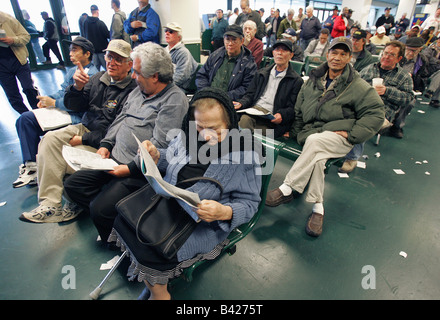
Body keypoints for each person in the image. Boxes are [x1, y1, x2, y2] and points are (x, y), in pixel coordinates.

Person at [107, 87, 263, 300]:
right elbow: (170, 158)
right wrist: (155, 155)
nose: (206, 135)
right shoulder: (186, 135)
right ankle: (155, 286)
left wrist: (224, 212)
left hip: (203, 224)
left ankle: (159, 293)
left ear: (230, 123)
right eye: (200, 126)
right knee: (125, 222)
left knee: (151, 251)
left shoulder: (245, 154)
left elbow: (251, 204)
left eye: (215, 129)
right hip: (168, 204)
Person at [62, 42, 189, 237]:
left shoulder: (174, 100)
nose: (133, 77)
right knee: (73, 185)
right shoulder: (138, 90)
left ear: (155, 76)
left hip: (138, 171)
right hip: (112, 161)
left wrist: (129, 168)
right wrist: (106, 144)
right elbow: (121, 118)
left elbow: (159, 146)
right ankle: (119, 213)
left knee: (99, 210)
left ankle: (119, 235)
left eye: (137, 72)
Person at [265, 37, 384, 237]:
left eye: (343, 54)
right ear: (327, 54)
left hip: (340, 137)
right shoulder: (312, 80)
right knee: (318, 159)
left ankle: (288, 187)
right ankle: (318, 209)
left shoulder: (357, 85)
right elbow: (299, 109)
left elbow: (376, 114)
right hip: (313, 134)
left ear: (349, 58)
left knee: (314, 142)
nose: (337, 58)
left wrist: (353, 134)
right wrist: (294, 131)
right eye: (334, 53)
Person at [19, 40, 137, 223]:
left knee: (66, 157)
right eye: (109, 57)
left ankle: (74, 201)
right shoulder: (97, 78)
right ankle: (50, 204)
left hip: (105, 141)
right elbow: (74, 106)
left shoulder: (132, 91)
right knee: (49, 139)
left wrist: (84, 139)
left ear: (129, 64)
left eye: (119, 59)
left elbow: (117, 130)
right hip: (84, 126)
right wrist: (77, 88)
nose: (111, 62)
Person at [13, 37, 98, 188]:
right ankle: (31, 164)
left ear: (87, 54)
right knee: (25, 119)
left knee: (27, 120)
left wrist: (55, 103)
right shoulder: (72, 71)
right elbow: (62, 92)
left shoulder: (94, 76)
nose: (70, 53)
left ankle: (34, 166)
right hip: (61, 111)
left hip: (75, 117)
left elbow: (82, 104)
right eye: (70, 49)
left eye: (75, 50)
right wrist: (48, 99)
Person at [341, 40, 414, 173]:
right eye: (385, 53)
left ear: (399, 58)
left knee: (362, 121)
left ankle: (351, 158)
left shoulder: (403, 77)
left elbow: (408, 98)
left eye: (391, 55)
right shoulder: (368, 69)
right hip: (360, 104)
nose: (386, 57)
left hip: (383, 112)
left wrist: (387, 91)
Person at [235, 39, 303, 138]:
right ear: (273, 53)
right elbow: (250, 95)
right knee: (244, 121)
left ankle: (241, 148)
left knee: (245, 129)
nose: (279, 53)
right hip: (254, 112)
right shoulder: (262, 73)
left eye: (284, 50)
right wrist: (242, 103)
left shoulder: (296, 80)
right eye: (277, 50)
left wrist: (282, 115)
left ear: (291, 55)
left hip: (272, 119)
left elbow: (293, 108)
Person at [196, 24, 257, 102]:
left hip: (229, 101)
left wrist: (223, 97)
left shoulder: (249, 63)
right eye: (227, 39)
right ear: (224, 40)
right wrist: (206, 92)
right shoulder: (215, 55)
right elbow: (201, 75)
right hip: (208, 98)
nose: (230, 43)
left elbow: (246, 87)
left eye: (234, 39)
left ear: (242, 41)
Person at [0, 11, 39, 115]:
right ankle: (27, 116)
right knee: (13, 96)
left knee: (28, 88)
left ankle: (39, 113)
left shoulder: (6, 19)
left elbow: (26, 36)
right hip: (2, 68)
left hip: (18, 61)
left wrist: (13, 40)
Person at [395, 36, 432, 138]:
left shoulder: (422, 61)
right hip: (392, 84)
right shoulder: (397, 56)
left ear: (420, 49)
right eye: (409, 50)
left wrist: (417, 85)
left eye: (414, 51)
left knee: (410, 103)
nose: (411, 53)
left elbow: (424, 77)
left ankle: (397, 126)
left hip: (409, 88)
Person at [163, 22, 198, 93]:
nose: (167, 33)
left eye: (171, 32)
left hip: (179, 88)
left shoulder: (183, 53)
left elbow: (182, 76)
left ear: (179, 37)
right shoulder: (164, 51)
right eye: (166, 31)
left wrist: (164, 87)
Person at [84, 5, 109, 71]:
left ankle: (95, 81)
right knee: (108, 69)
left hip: (92, 51)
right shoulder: (100, 23)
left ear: (91, 11)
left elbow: (84, 35)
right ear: (97, 11)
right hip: (102, 51)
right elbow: (107, 34)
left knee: (95, 70)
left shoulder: (85, 23)